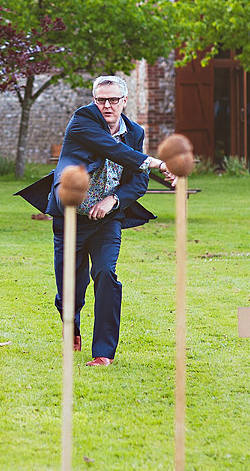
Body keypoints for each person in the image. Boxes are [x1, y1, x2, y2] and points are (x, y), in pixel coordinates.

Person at [16, 76, 175, 367]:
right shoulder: (83, 121)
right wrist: (158, 163)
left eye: (113, 99)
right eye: (101, 99)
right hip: (70, 217)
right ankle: (71, 325)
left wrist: (112, 201)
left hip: (107, 220)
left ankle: (103, 353)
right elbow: (115, 151)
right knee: (69, 291)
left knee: (105, 274)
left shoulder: (134, 132)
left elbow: (138, 182)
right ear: (94, 100)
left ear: (124, 101)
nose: (107, 105)